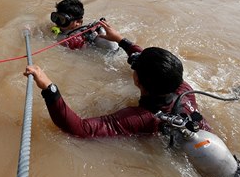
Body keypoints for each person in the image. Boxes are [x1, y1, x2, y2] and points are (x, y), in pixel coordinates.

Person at [24, 19, 209, 137]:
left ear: (137, 80)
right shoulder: (185, 89)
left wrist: (49, 88)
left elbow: (80, 129)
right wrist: (120, 40)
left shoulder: (141, 118)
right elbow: (142, 58)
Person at [50, 0, 118, 51]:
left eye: (62, 20)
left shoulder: (98, 39)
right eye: (56, 17)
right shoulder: (61, 30)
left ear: (78, 22)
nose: (57, 22)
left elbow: (114, 49)